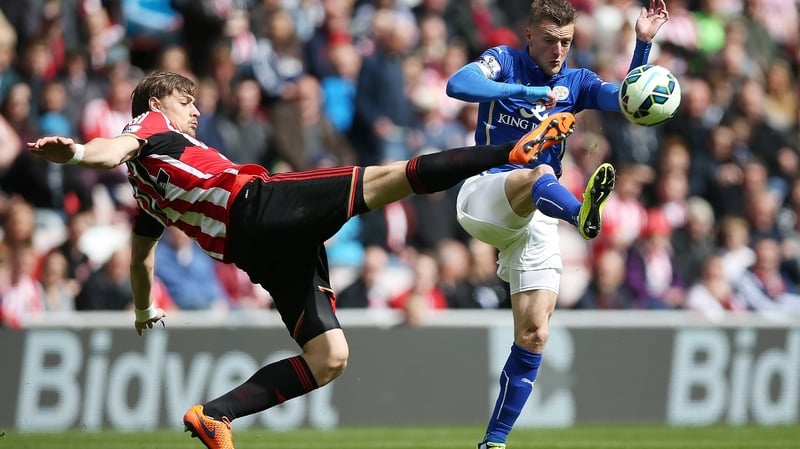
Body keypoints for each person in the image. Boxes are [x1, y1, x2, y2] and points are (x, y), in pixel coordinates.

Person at [27, 70, 565, 449]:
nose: (195, 111)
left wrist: (144, 310)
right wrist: (75, 152)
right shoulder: (147, 129)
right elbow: (109, 149)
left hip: (254, 252)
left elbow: (142, 254)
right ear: (158, 103)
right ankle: (512, 154)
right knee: (384, 178)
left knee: (329, 356)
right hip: (257, 205)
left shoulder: (147, 193)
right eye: (187, 101)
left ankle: (214, 414)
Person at [444, 1, 669, 448]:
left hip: (536, 217)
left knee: (534, 332)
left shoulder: (578, 81)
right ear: (529, 35)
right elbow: (457, 84)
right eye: (549, 40)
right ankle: (581, 214)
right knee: (540, 172)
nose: (558, 50)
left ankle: (493, 442)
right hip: (487, 196)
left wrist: (642, 44)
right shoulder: (504, 60)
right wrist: (525, 94)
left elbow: (625, 99)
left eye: (565, 41)